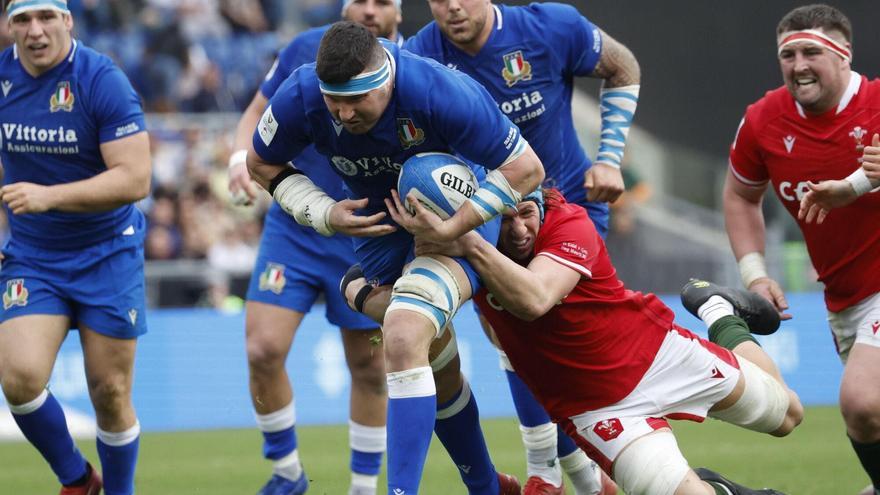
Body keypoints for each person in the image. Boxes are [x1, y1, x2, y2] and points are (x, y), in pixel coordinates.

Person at [246, 21, 544, 494]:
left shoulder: (438, 89)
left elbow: (526, 168)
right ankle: (486, 486)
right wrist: (323, 212)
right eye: (334, 101)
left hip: (459, 221)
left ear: (383, 79)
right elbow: (259, 164)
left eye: (356, 100)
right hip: (379, 232)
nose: (343, 114)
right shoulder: (302, 93)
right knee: (437, 367)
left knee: (403, 332)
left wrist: (453, 226)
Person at [392, 187, 803, 495]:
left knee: (788, 417)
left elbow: (534, 298)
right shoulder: (469, 255)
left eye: (527, 214)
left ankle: (718, 312)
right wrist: (356, 285)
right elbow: (412, 308)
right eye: (505, 219)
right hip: (598, 412)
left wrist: (470, 242)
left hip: (658, 354)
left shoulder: (569, 222)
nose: (519, 231)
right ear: (481, 218)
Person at [404, 2, 640, 492]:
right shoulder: (421, 56)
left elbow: (623, 67)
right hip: (489, 219)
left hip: (566, 206)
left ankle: (574, 475)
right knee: (512, 333)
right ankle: (558, 475)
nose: (451, 7)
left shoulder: (550, 27)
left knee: (562, 333)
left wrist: (611, 155)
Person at [226, 2, 402, 494]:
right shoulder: (307, 49)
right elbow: (258, 112)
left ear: (400, 10)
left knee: (369, 365)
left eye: (381, 0)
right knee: (262, 348)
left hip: (369, 234)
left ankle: (362, 488)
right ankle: (286, 475)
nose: (367, 9)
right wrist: (241, 157)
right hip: (296, 227)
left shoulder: (416, 65)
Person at [722, 5, 880, 494]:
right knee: (867, 424)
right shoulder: (762, 120)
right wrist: (755, 274)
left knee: (862, 402)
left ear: (844, 56)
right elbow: (739, 196)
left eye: (812, 51)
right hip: (844, 299)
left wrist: (851, 187)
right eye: (787, 55)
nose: (798, 65)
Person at [0, 1, 152, 495]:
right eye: (22, 19)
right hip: (33, 255)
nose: (34, 30)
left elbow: (136, 179)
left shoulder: (101, 80)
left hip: (107, 252)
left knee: (109, 392)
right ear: (10, 26)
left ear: (68, 21)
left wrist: (48, 197)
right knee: (19, 379)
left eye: (45, 16)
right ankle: (78, 480)